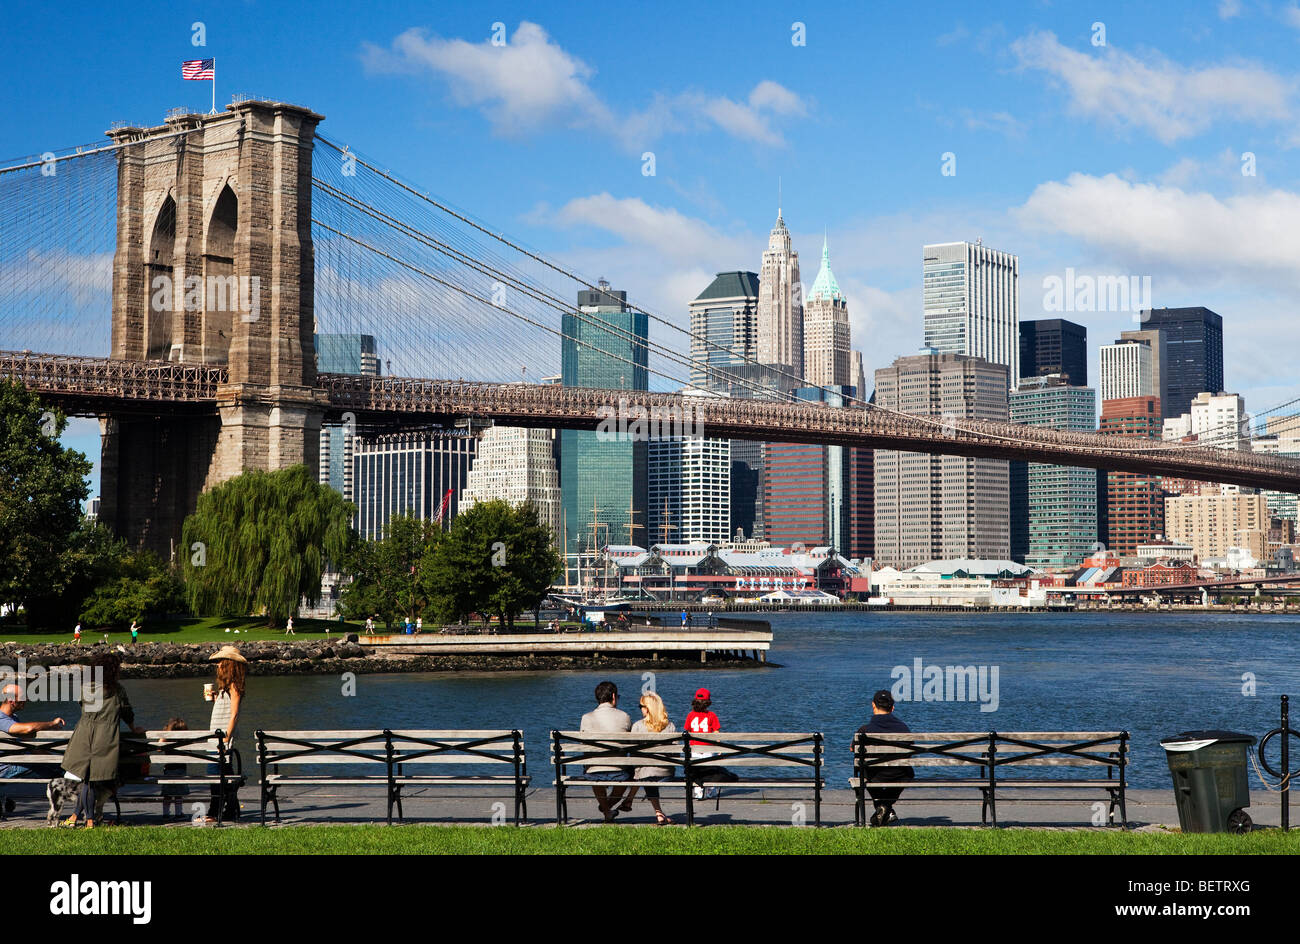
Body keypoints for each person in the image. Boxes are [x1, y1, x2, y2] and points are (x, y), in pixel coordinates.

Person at [61, 652, 145, 828]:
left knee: (87, 780)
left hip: (84, 735)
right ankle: (89, 820)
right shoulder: (118, 690)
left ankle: (81, 818)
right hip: (106, 738)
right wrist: (133, 729)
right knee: (93, 780)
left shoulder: (86, 688)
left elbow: (82, 706)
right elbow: (127, 712)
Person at [0, 684, 66, 814]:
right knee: (60, 774)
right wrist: (51, 724)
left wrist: (57, 759)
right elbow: (29, 729)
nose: (27, 700)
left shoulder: (13, 719)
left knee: (59, 768)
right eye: (23, 697)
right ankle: (87, 798)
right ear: (12, 700)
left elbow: (28, 746)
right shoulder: (2, 719)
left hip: (15, 762)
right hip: (5, 768)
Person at [855, 689, 914, 827]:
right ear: (892, 708)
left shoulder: (864, 730)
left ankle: (882, 806)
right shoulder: (904, 729)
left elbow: (854, 750)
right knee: (909, 772)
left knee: (863, 772)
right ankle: (887, 807)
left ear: (873, 705)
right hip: (899, 774)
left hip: (875, 775)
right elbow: (910, 752)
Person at [578, 680, 632, 823]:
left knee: (593, 769)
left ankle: (606, 810)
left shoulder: (586, 718)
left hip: (594, 769)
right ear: (613, 696)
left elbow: (584, 745)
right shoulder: (624, 716)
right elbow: (629, 744)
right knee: (630, 772)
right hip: (619, 769)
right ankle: (607, 808)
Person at [206, 645, 247, 823]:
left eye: (221, 662)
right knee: (226, 776)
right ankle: (230, 810)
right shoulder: (225, 688)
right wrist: (216, 698)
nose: (218, 666)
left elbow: (234, 714)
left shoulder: (234, 687)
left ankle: (214, 812)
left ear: (229, 665)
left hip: (222, 741)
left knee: (215, 775)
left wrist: (226, 738)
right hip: (215, 738)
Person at [628, 692, 676, 825]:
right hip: (666, 773)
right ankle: (659, 813)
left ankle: (630, 800)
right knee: (648, 772)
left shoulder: (637, 726)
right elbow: (675, 755)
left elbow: (632, 753)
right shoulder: (670, 726)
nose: (640, 709)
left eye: (641, 706)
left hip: (645, 773)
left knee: (646, 773)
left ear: (647, 708)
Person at [684, 687, 737, 800]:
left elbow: (687, 732)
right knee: (710, 770)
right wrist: (719, 749)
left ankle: (698, 791)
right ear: (708, 703)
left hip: (694, 750)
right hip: (708, 749)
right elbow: (716, 734)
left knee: (697, 770)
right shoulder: (711, 715)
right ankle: (709, 791)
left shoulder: (690, 715)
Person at [159, 717, 189, 821]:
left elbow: (158, 748)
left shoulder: (167, 740)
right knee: (178, 794)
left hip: (168, 769)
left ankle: (166, 814)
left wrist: (164, 734)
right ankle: (178, 813)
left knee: (167, 794)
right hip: (181, 770)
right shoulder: (185, 741)